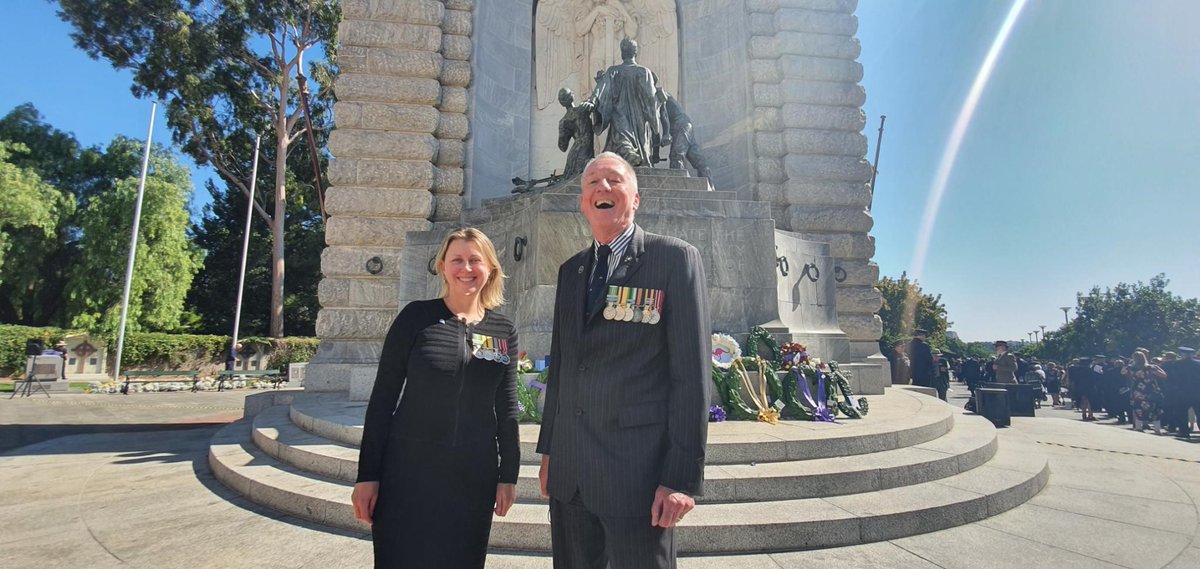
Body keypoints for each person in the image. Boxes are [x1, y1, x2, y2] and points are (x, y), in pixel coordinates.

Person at [537, 152, 711, 568]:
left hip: (639, 478)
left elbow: (691, 377)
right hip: (571, 478)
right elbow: (561, 367)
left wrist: (680, 478)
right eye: (593, 182)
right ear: (582, 202)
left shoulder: (673, 259)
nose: (603, 188)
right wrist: (549, 453)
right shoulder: (571, 271)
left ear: (636, 198)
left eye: (615, 180)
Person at [351, 228, 520, 569]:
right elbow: (383, 399)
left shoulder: (503, 331)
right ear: (442, 266)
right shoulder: (415, 318)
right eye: (457, 259)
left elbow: (507, 407)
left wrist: (509, 475)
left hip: (472, 477)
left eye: (475, 260)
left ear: (490, 268)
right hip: (408, 474)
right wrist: (367, 475)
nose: (466, 268)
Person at [594, 38, 664, 166]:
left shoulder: (612, 71)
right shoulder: (644, 72)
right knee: (625, 144)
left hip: (619, 116)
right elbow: (650, 100)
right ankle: (630, 156)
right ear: (636, 53)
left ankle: (628, 156)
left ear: (622, 53)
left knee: (621, 138)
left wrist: (599, 84)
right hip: (638, 119)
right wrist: (655, 125)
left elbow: (602, 93)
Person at [557, 87, 596, 177]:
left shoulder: (563, 121)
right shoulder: (584, 109)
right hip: (584, 153)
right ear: (572, 96)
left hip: (575, 154)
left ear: (561, 102)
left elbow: (563, 147)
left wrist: (563, 132)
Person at [1123, 351, 1166, 434]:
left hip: (1137, 392)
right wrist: (1158, 368)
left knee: (1138, 409)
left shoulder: (1132, 368)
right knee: (1155, 410)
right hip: (1151, 391)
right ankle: (1157, 429)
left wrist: (1129, 365)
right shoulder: (1151, 368)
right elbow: (1164, 375)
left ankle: (1139, 427)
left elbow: (1122, 372)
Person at [1162, 346, 1200, 439]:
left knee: (1181, 413)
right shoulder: (1198, 364)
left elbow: (1170, 378)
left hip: (1181, 392)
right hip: (1197, 392)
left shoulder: (1176, 364)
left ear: (1182, 354)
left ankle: (1183, 431)